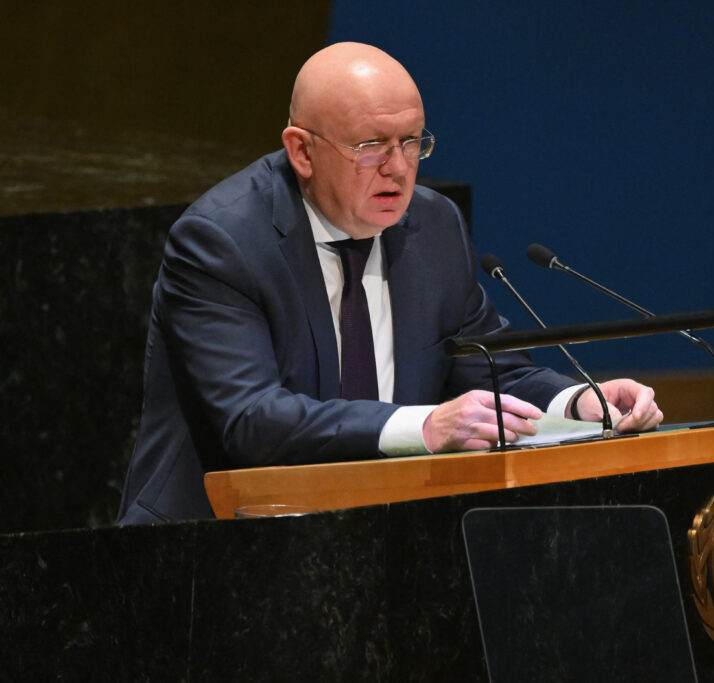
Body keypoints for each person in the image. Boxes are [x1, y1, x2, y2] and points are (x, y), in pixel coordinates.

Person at [117, 42, 662, 524]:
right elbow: (250, 421)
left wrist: (577, 402)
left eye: (410, 142)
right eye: (371, 145)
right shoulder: (223, 241)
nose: (398, 169)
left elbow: (488, 367)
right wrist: (423, 427)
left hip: (382, 534)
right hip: (211, 548)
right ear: (301, 151)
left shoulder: (434, 226)